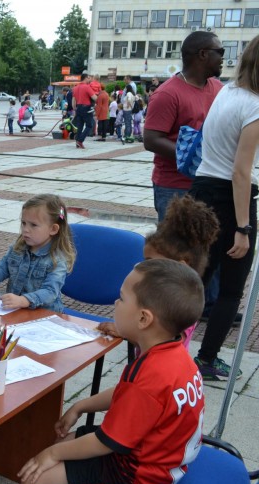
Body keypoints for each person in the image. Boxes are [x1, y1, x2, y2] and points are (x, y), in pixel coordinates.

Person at [18, 259, 205, 484]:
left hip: (140, 475)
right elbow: (128, 396)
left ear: (144, 318)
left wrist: (51, 454)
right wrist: (81, 406)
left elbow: (107, 442)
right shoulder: (175, 356)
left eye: (121, 298)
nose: (115, 304)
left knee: (35, 478)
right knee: (65, 440)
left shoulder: (151, 375)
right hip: (165, 460)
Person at [189, 34, 259, 381]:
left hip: (202, 190)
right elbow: (241, 171)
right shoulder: (255, 105)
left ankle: (166, 349)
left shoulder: (227, 92)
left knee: (193, 279)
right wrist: (244, 228)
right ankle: (206, 358)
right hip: (231, 199)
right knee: (231, 290)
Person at [98, 195, 219, 348]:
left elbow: (162, 340)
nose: (144, 265)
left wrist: (124, 330)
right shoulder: (157, 294)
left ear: (180, 267)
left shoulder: (181, 303)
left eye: (151, 261)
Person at [143, 31, 224, 222]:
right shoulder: (167, 94)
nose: (223, 57)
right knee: (176, 249)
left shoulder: (219, 88)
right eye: (220, 51)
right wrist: (195, 157)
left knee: (206, 247)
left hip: (211, 182)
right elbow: (151, 140)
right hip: (175, 188)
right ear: (203, 54)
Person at [0, 194, 75, 313]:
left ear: (53, 229)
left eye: (33, 225)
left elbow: (50, 291)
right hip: (15, 310)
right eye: (23, 223)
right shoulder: (18, 248)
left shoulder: (57, 259)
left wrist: (24, 300)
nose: (25, 229)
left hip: (44, 315)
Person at [71, 74, 97, 149]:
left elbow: (73, 100)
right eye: (89, 78)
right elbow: (95, 98)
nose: (90, 80)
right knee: (89, 125)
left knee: (80, 126)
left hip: (78, 108)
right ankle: (80, 141)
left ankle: (77, 142)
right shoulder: (87, 87)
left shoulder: (75, 88)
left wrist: (75, 109)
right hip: (86, 108)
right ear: (85, 78)